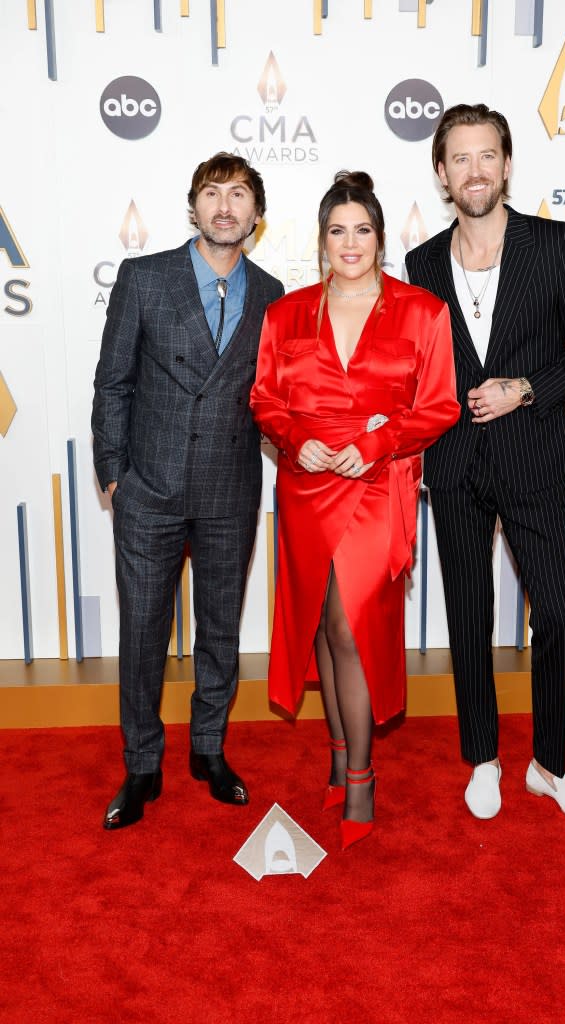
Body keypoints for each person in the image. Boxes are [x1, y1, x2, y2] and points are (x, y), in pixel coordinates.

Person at [406, 104, 565, 824]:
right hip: (456, 463)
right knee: (469, 618)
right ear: (441, 172)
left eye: (487, 155)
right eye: (459, 158)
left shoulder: (554, 245)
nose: (474, 171)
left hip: (535, 459)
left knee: (555, 617)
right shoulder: (421, 263)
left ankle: (549, 767)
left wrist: (526, 388)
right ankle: (484, 759)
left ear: (506, 163)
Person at [250, 171, 460, 849]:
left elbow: (439, 406)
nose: (350, 243)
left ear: (380, 237)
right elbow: (263, 399)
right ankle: (339, 751)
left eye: (362, 230)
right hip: (307, 487)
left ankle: (361, 778)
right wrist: (294, 440)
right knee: (317, 620)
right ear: (320, 240)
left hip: (378, 486)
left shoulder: (422, 312)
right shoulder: (286, 313)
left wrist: (374, 443)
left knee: (349, 627)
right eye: (336, 230)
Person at [92, 153, 284, 830]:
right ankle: (141, 762)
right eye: (212, 193)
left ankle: (209, 750)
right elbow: (112, 381)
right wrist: (114, 472)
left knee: (221, 632)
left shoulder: (272, 293)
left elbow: (276, 398)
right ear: (192, 206)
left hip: (230, 488)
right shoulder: (145, 279)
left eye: (238, 195)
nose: (225, 206)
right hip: (149, 489)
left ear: (256, 215)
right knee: (144, 632)